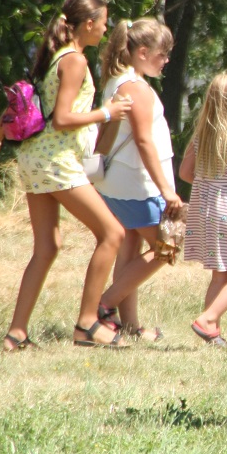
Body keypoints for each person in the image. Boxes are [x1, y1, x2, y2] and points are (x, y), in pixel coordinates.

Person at [0, 0, 134, 350]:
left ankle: (16, 334)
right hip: (55, 162)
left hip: (35, 160)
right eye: (103, 21)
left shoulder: (60, 57)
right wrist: (107, 112)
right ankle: (86, 324)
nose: (105, 28)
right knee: (113, 233)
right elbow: (64, 119)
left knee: (47, 246)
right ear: (87, 24)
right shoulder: (76, 62)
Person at [92, 18, 185, 341]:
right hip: (137, 184)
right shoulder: (137, 89)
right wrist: (167, 191)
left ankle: (131, 326)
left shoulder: (117, 81)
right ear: (143, 52)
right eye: (163, 54)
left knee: (130, 251)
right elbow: (145, 142)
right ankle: (104, 305)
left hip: (116, 182)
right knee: (167, 246)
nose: (167, 60)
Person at [179, 71, 227, 347]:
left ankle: (211, 334)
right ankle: (208, 319)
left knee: (220, 273)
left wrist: (207, 181)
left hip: (204, 212)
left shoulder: (202, 135)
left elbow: (185, 173)